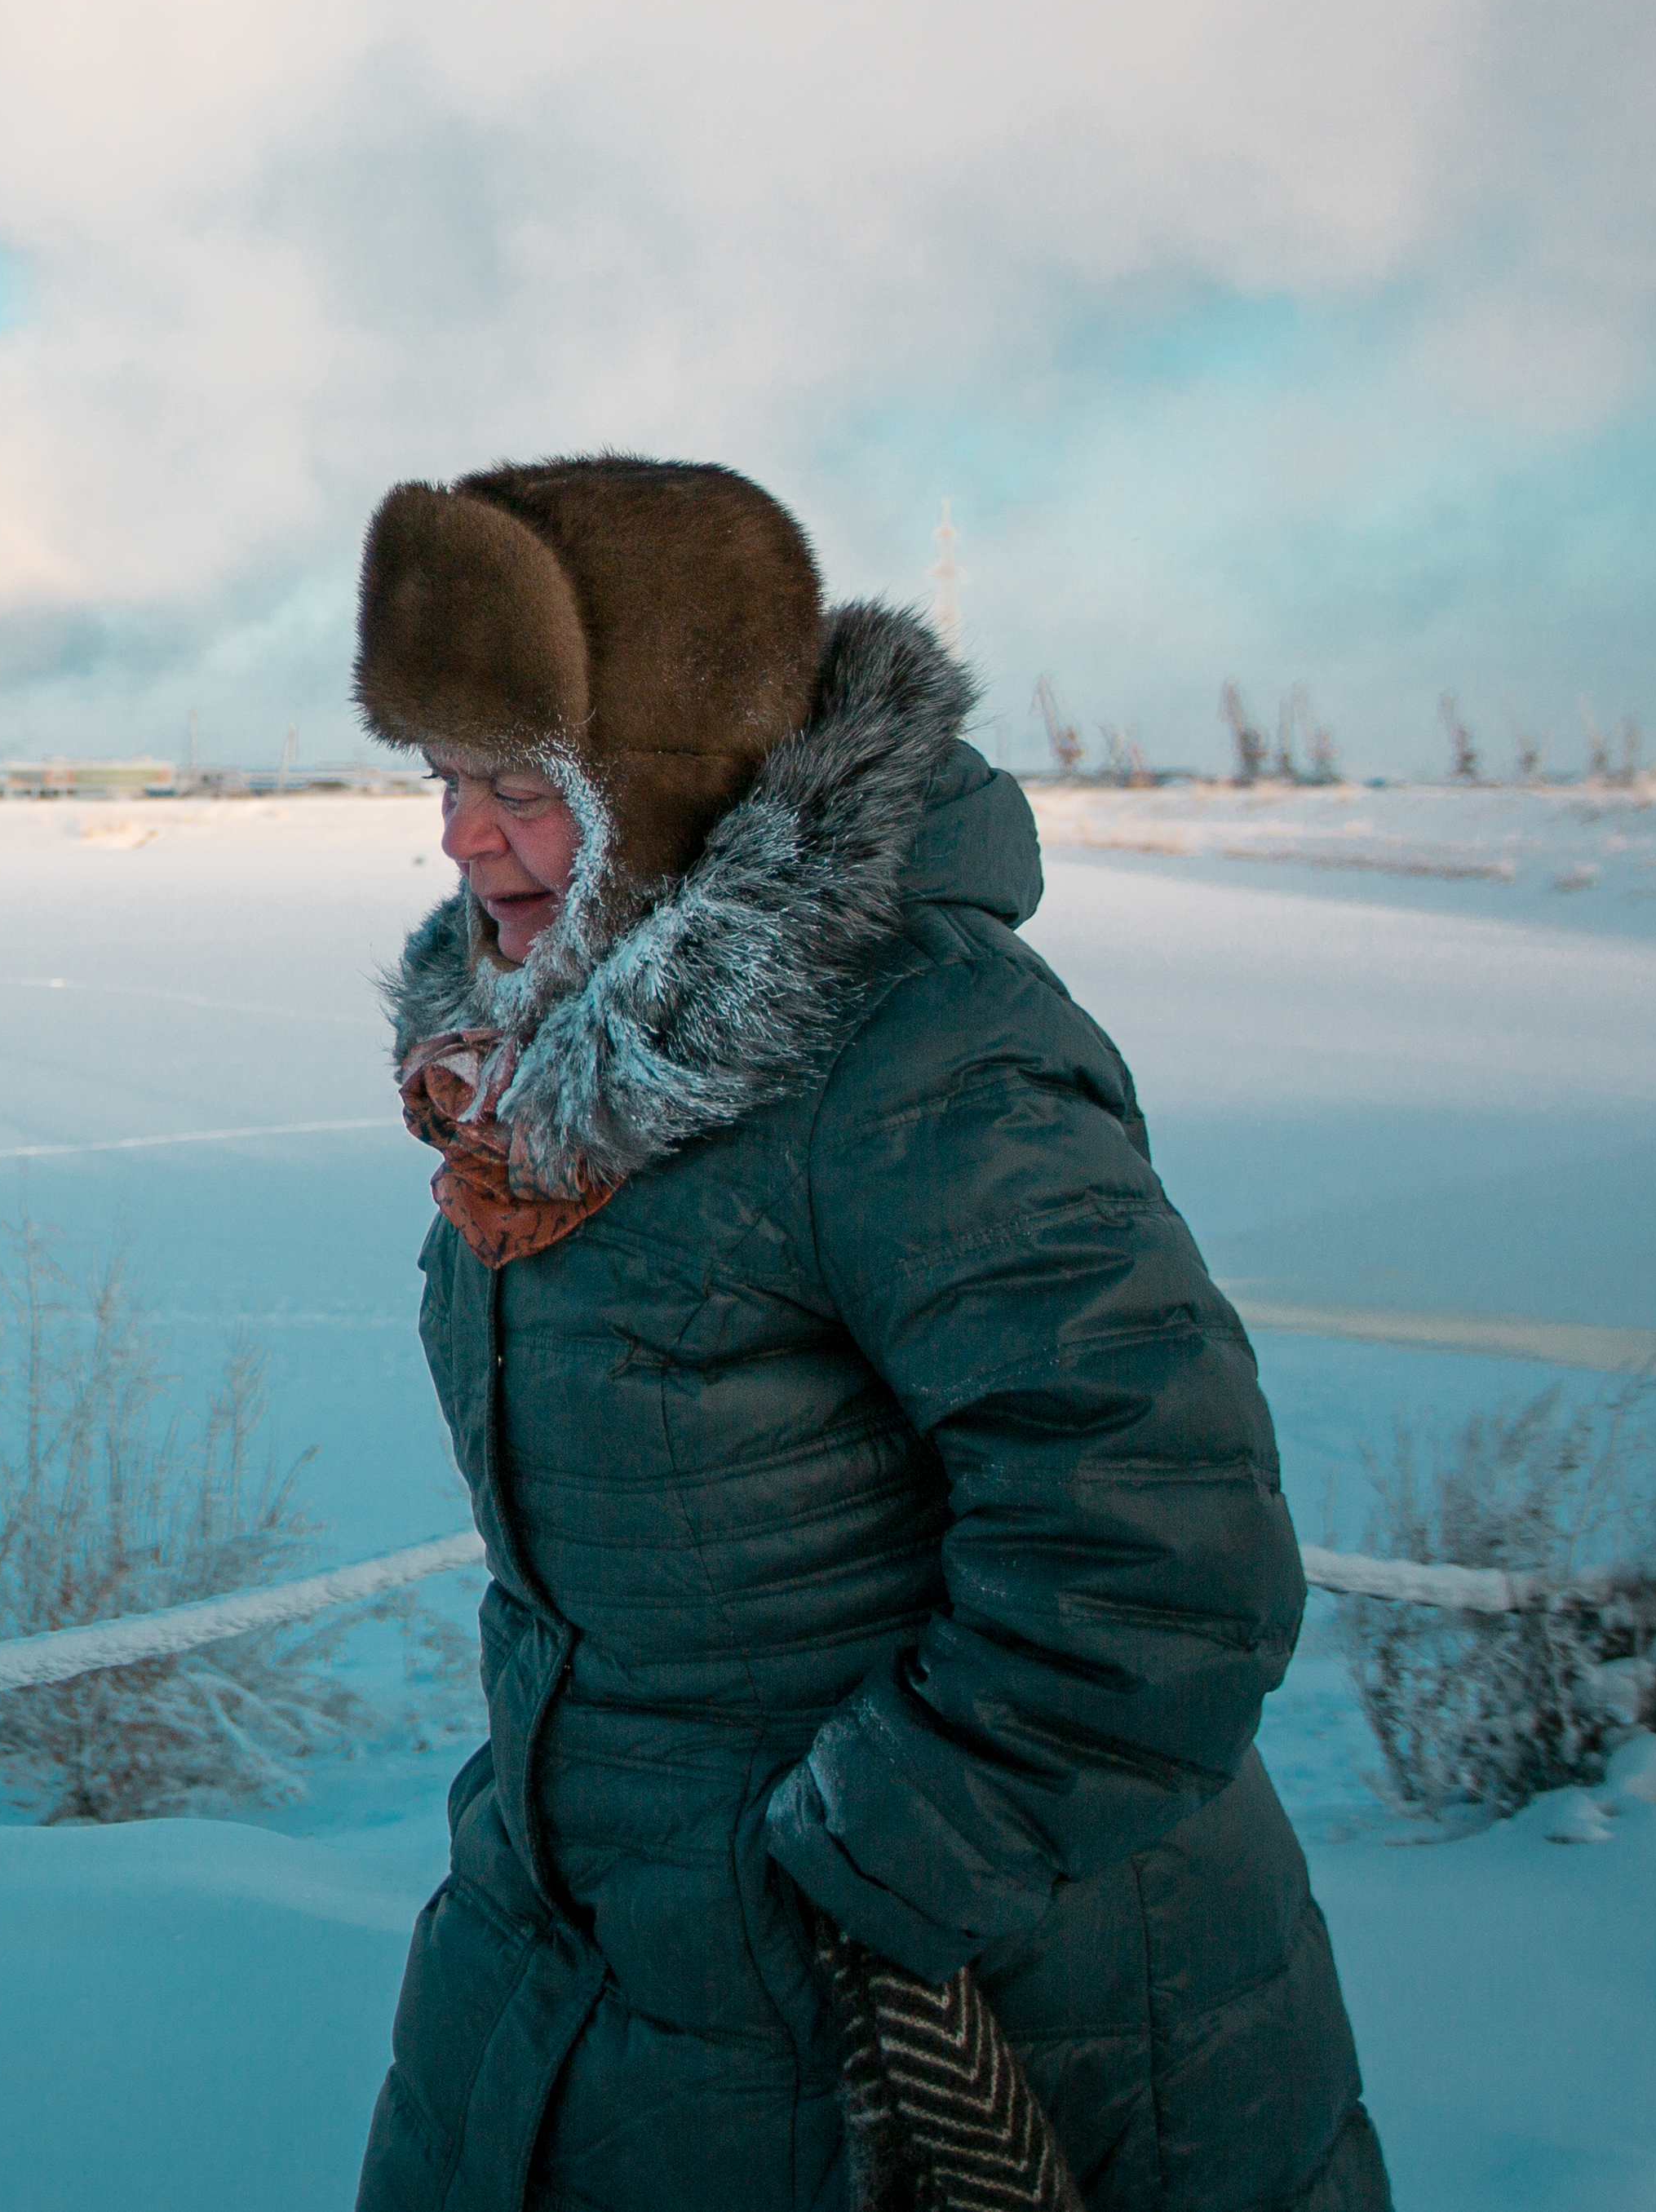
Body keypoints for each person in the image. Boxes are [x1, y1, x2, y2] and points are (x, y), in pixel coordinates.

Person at [345, 457, 1384, 2212]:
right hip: (582, 1951)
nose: (457, 838)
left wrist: (861, 1866)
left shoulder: (921, 1057)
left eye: (518, 786)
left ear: (666, 785)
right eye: (444, 779)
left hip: (944, 2005)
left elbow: (1160, 1555)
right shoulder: (538, 1067)